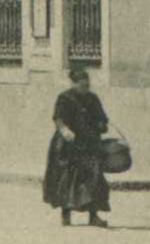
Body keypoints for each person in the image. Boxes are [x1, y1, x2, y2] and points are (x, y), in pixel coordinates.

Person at [42, 65, 113, 228]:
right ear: (73, 84)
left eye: (87, 84)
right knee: (68, 179)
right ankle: (65, 215)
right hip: (69, 145)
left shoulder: (93, 98)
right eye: (82, 84)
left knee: (94, 178)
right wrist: (64, 130)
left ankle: (93, 216)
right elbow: (58, 118)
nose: (85, 87)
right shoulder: (65, 98)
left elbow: (102, 117)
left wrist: (102, 123)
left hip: (89, 144)